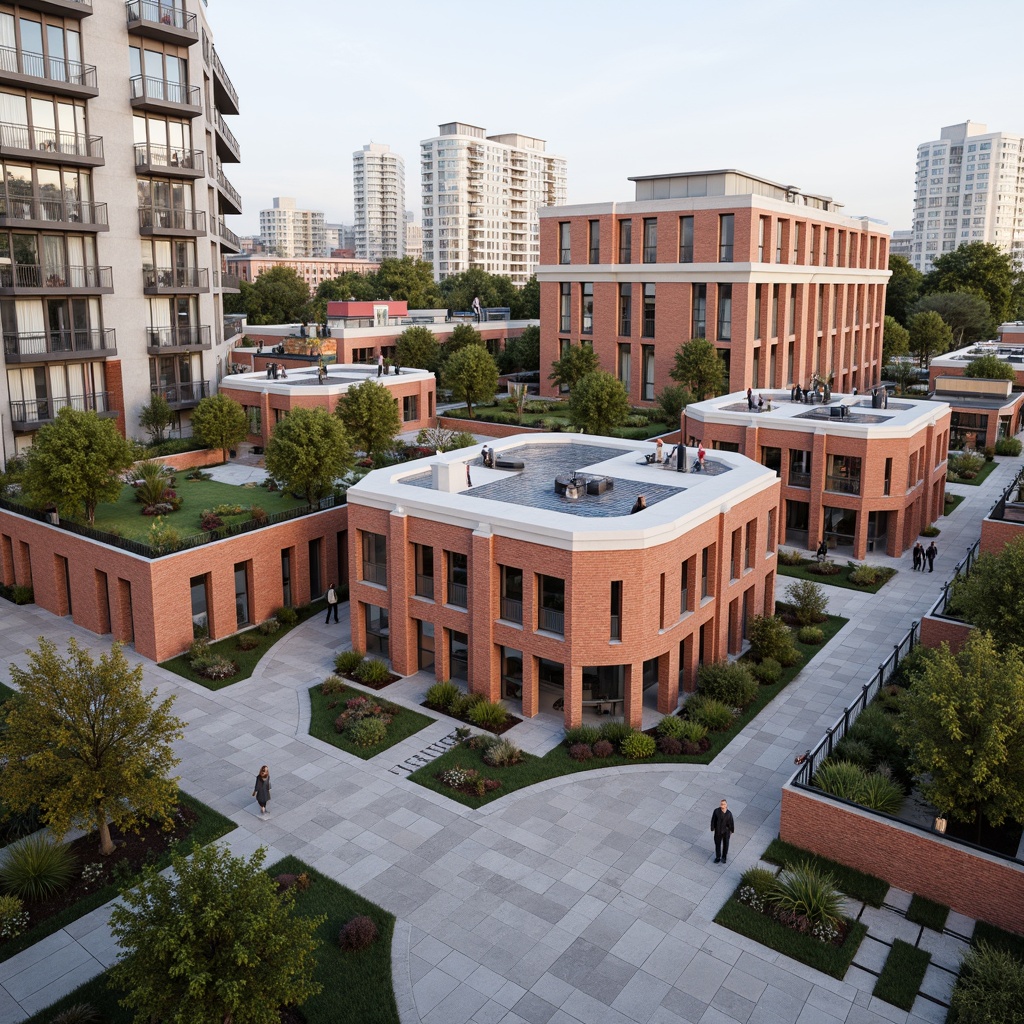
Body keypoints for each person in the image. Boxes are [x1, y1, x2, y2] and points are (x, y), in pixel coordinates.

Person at [711, 799, 735, 864]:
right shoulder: (716, 811)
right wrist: (712, 828)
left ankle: (724, 857)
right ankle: (718, 857)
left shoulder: (729, 814)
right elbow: (713, 820)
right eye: (721, 804)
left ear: (726, 805)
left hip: (726, 832)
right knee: (717, 844)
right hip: (718, 831)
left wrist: (732, 830)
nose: (722, 805)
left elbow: (731, 822)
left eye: (724, 804)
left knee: (726, 845)